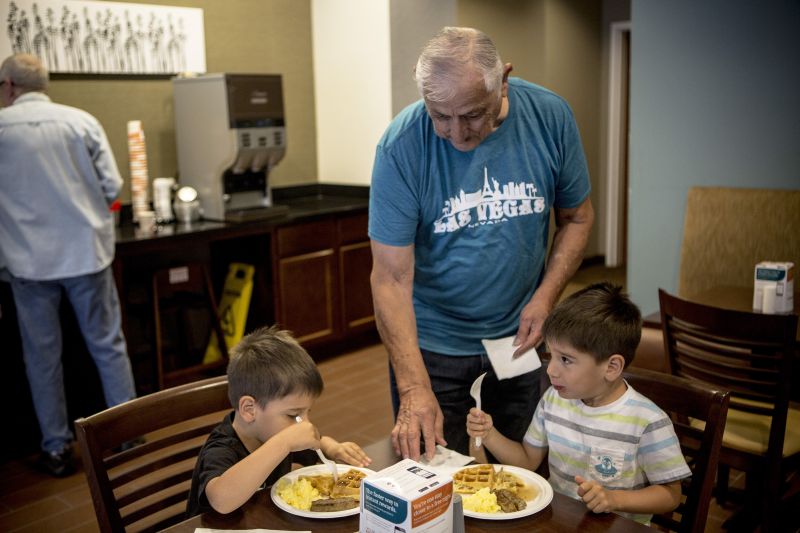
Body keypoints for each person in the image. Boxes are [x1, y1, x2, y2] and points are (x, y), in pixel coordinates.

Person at [369, 26, 594, 461]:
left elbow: (577, 217)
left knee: (520, 474)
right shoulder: (402, 146)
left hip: (517, 340)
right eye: (440, 116)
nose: (457, 134)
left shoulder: (550, 117)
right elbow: (390, 278)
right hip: (433, 348)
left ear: (503, 81)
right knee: (436, 480)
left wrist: (546, 298)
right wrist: (413, 387)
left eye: (472, 114)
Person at [0, 53, 137, 477]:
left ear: (9, 86)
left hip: (27, 261)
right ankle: (128, 433)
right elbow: (113, 186)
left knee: (41, 357)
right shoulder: (81, 122)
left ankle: (56, 448)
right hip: (85, 254)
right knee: (108, 345)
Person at [467, 283, 691, 524]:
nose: (551, 370)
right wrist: (489, 434)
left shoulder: (647, 421)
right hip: (558, 521)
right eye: (551, 355)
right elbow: (527, 461)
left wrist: (614, 499)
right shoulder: (554, 399)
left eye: (566, 359)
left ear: (611, 367)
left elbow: (670, 495)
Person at [186, 325, 372, 517]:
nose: (304, 424)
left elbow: (313, 444)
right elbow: (221, 500)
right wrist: (284, 443)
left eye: (307, 412)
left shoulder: (274, 430)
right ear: (249, 409)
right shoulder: (221, 448)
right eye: (293, 415)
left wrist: (331, 447)